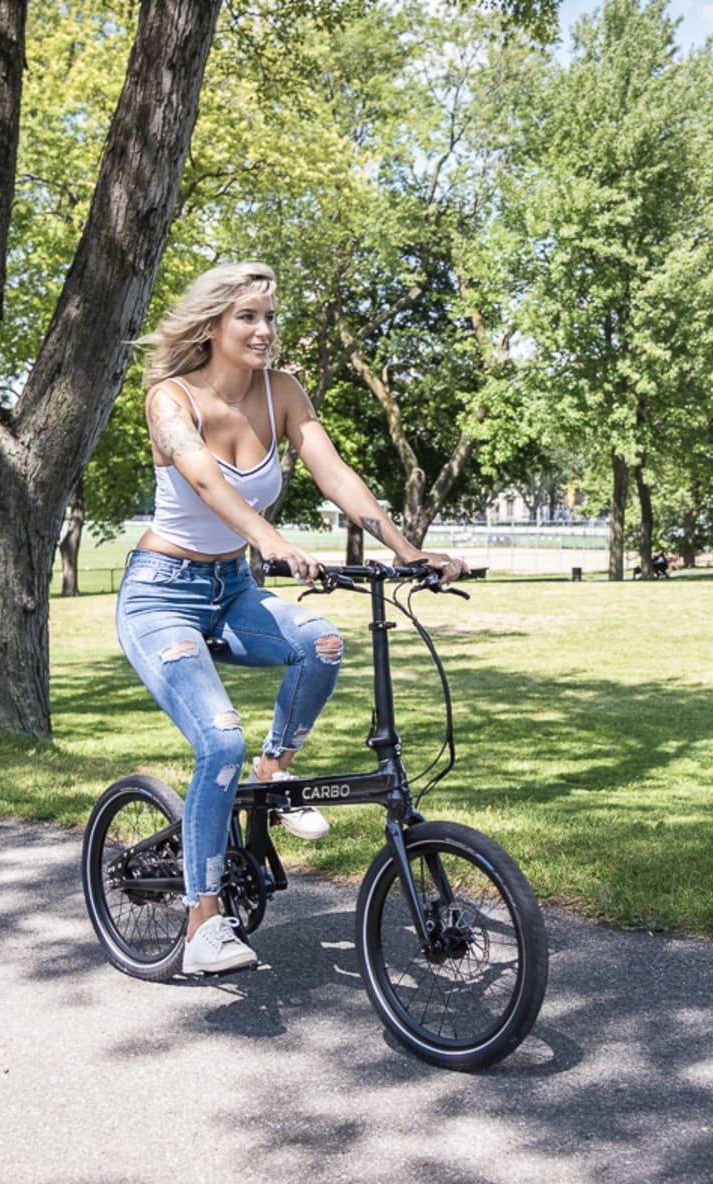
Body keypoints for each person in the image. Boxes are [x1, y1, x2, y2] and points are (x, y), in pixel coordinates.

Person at [116, 262, 466, 977]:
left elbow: (333, 473)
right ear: (211, 325)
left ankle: (273, 776)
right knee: (218, 740)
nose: (264, 331)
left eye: (270, 316)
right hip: (162, 595)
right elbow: (204, 479)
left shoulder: (283, 393)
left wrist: (406, 550)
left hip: (232, 589)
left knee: (323, 643)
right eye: (247, 316)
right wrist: (268, 539)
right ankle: (203, 921)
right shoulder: (168, 398)